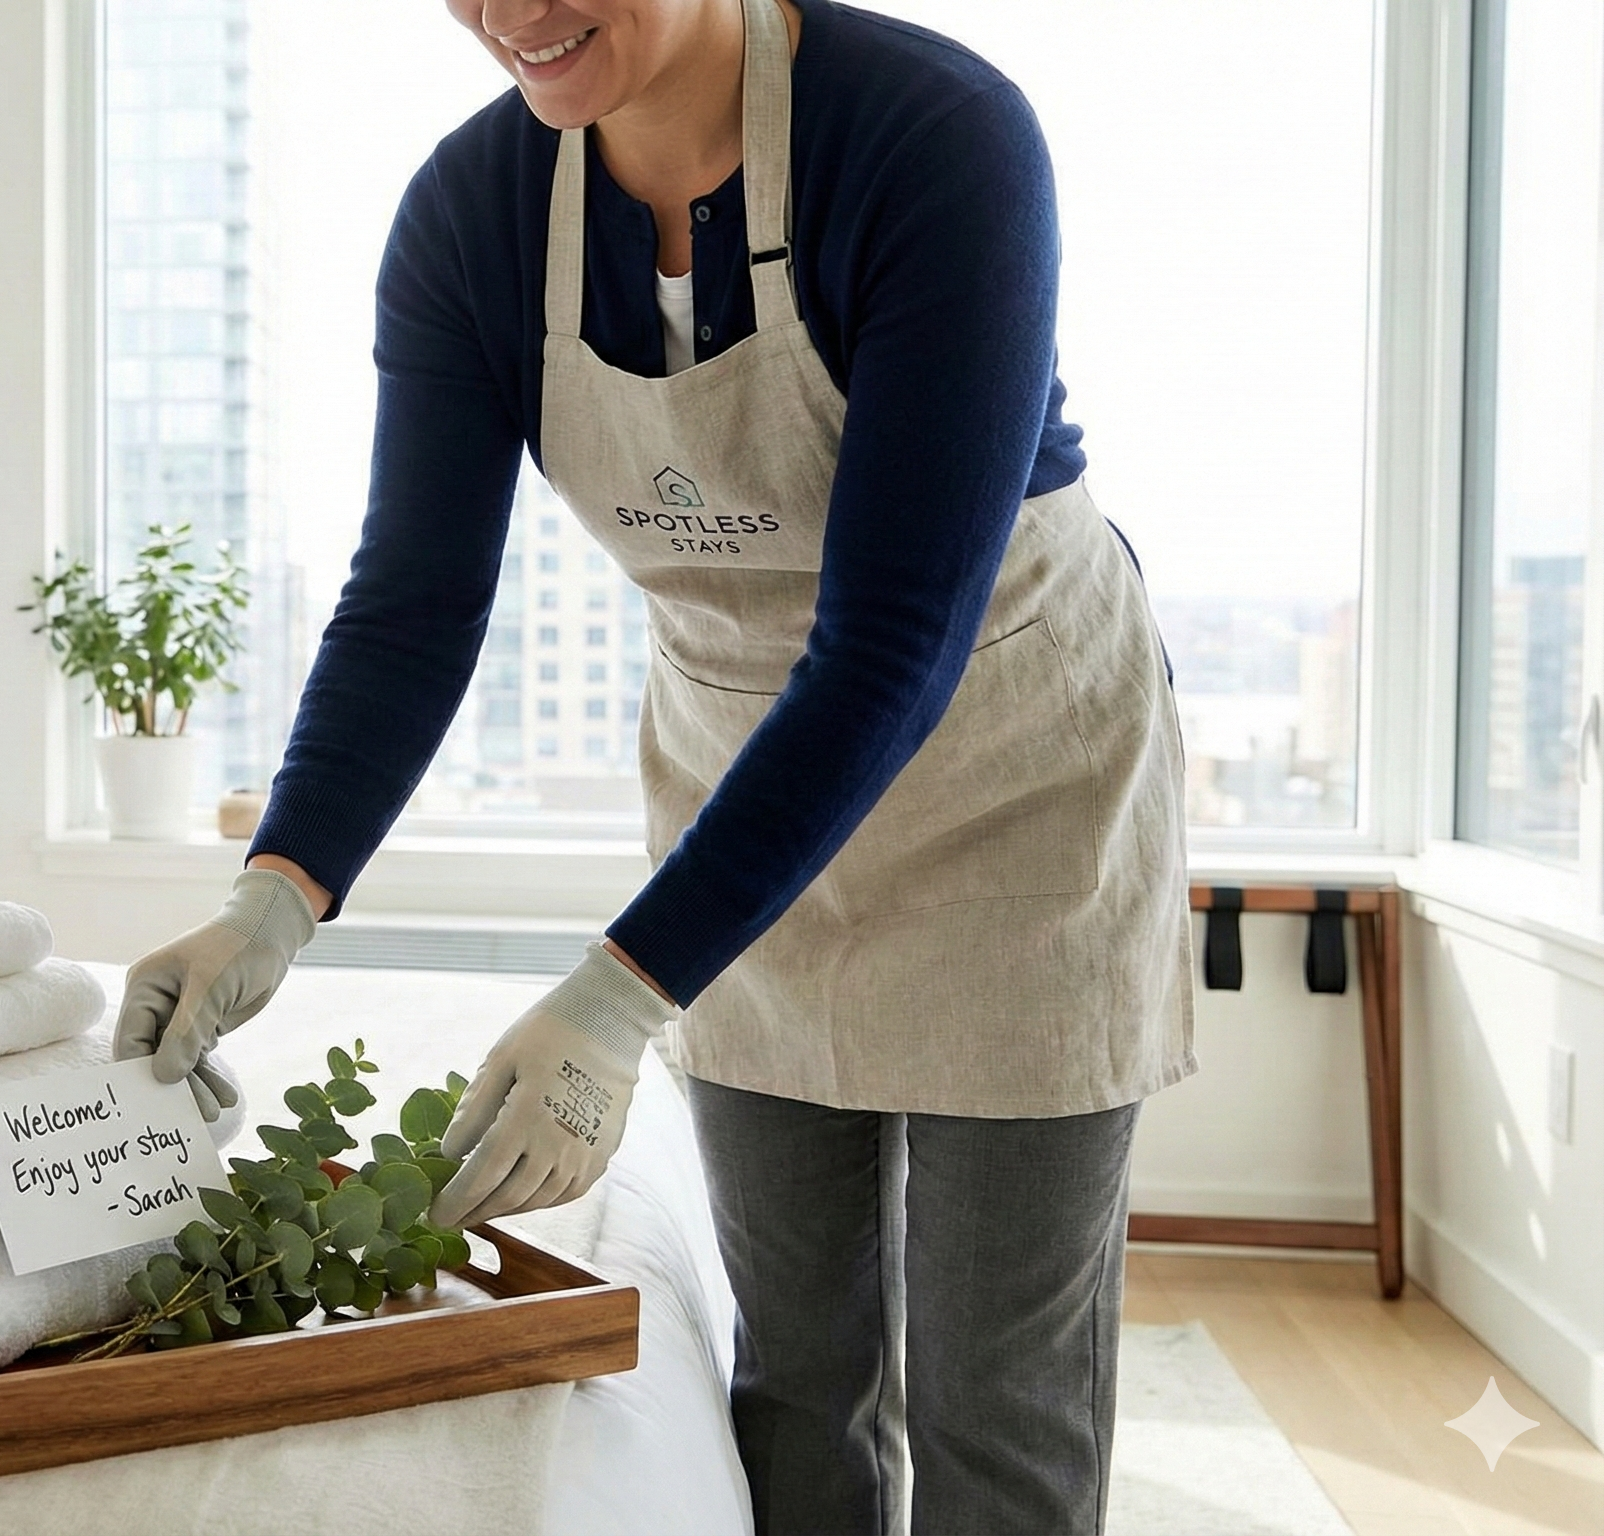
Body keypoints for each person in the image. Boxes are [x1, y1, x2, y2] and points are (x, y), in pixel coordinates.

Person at [112, 0, 1194, 1529]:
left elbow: (896, 638)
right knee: (798, 1377)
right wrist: (274, 897)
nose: (515, 14)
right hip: (740, 822)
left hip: (1016, 790)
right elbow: (415, 601)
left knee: (995, 1402)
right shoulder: (473, 217)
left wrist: (618, 995)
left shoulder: (933, 135)